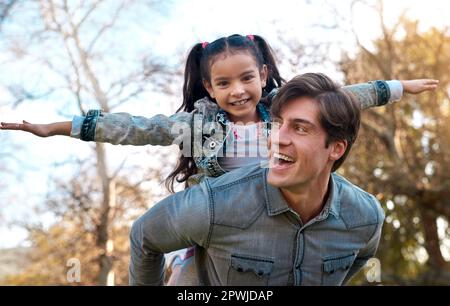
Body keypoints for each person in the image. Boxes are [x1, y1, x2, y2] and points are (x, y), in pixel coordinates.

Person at [0, 34, 438, 284]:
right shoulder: (197, 125)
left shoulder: (283, 112)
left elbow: (347, 97)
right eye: (224, 83)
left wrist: (399, 86)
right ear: (210, 88)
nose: (238, 91)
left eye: (247, 78)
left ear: (263, 76)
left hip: (281, 214)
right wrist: (59, 127)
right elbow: (134, 127)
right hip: (218, 225)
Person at [129, 72, 385, 286]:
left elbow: (359, 258)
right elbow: (145, 236)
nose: (277, 138)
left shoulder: (366, 217)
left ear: (336, 148)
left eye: (299, 128)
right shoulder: (214, 204)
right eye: (277, 123)